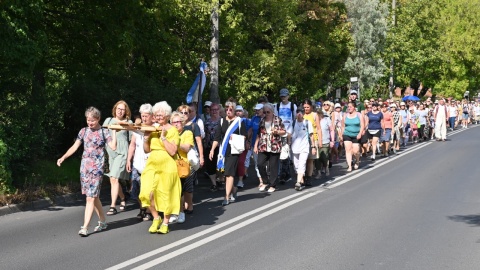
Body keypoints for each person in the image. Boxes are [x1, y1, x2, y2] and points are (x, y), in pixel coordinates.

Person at [57, 107, 117, 236]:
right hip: (84, 168)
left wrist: (114, 132)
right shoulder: (83, 131)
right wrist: (63, 157)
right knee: (93, 196)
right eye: (88, 120)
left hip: (97, 169)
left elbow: (113, 146)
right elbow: (75, 146)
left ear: (98, 119)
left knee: (90, 198)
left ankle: (85, 227)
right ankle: (102, 220)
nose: (90, 123)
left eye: (92, 121)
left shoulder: (104, 132)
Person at [140, 101, 182, 234]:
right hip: (152, 162)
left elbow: (172, 152)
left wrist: (163, 138)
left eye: (161, 115)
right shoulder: (152, 128)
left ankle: (165, 222)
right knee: (146, 192)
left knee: (165, 195)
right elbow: (147, 150)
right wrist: (146, 139)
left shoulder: (173, 130)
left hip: (167, 165)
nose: (158, 117)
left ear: (168, 115)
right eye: (156, 115)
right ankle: (156, 218)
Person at [209, 98, 247, 205]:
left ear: (234, 110)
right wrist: (212, 150)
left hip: (234, 151)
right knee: (225, 174)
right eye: (227, 109)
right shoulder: (222, 121)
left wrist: (235, 137)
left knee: (229, 174)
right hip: (223, 151)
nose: (228, 111)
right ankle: (233, 190)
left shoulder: (239, 121)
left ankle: (226, 197)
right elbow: (217, 137)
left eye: (230, 109)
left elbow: (244, 136)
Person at [103, 100, 132, 215]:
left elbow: (131, 141)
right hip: (111, 152)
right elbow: (104, 136)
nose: (120, 111)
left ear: (126, 111)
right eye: (118, 109)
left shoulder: (128, 122)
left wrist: (130, 158)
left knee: (114, 178)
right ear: (115, 109)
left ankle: (112, 206)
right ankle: (123, 197)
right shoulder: (108, 120)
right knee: (112, 179)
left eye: (122, 109)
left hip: (122, 152)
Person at [126, 104, 153, 221]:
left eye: (146, 115)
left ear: (151, 116)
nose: (144, 118)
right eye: (142, 116)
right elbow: (132, 145)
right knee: (135, 189)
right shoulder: (136, 129)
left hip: (150, 164)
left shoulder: (155, 128)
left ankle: (148, 210)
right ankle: (142, 207)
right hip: (137, 163)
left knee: (147, 189)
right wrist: (128, 160)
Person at [177, 105, 204, 214]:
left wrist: (201, 157)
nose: (183, 115)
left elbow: (199, 142)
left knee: (188, 182)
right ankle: (182, 205)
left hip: (190, 158)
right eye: (181, 113)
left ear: (189, 114)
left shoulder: (193, 126)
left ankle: (190, 205)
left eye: (186, 113)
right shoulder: (175, 126)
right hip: (178, 158)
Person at [254, 103, 286, 193]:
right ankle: (265, 181)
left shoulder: (277, 120)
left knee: (273, 166)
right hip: (263, 145)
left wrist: (277, 132)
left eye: (268, 112)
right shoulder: (262, 120)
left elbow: (284, 131)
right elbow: (258, 134)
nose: (266, 114)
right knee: (260, 164)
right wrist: (256, 145)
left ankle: (272, 185)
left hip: (274, 145)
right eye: (264, 112)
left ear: (272, 112)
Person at [169, 111, 195, 224]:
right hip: (170, 166)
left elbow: (187, 147)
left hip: (183, 165)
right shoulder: (169, 134)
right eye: (173, 122)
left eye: (178, 122)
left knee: (185, 191)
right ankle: (176, 212)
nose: (176, 124)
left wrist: (176, 144)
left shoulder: (187, 133)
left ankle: (183, 211)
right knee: (174, 191)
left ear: (183, 122)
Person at [291, 107, 313, 191]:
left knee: (302, 163)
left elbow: (311, 135)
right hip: (294, 147)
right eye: (298, 112)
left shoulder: (307, 123)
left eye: (301, 112)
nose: (299, 114)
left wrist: (313, 146)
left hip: (304, 147)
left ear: (303, 114)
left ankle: (298, 182)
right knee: (296, 165)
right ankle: (301, 179)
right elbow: (289, 134)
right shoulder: (293, 123)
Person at [340, 102, 365, 172]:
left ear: (354, 107)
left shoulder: (359, 115)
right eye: (348, 107)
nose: (349, 108)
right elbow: (343, 125)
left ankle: (357, 161)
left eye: (350, 107)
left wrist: (360, 133)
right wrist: (342, 134)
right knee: (348, 150)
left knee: (356, 151)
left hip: (356, 135)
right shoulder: (345, 115)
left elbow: (362, 125)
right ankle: (350, 166)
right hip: (347, 134)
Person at [203, 103, 222, 191]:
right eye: (212, 110)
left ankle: (220, 178)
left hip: (220, 146)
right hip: (209, 146)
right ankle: (214, 184)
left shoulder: (222, 121)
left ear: (219, 110)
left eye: (216, 109)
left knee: (219, 165)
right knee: (210, 165)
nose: (214, 111)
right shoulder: (207, 122)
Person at [245, 104, 264, 188]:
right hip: (254, 144)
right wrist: (247, 141)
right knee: (257, 163)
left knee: (264, 163)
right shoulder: (254, 118)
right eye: (256, 110)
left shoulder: (266, 118)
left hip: (264, 144)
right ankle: (261, 180)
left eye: (259, 110)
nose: (257, 111)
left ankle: (267, 177)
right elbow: (250, 130)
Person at [302, 99, 319, 185]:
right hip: (303, 140)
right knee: (303, 160)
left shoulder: (314, 115)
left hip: (313, 138)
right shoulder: (301, 115)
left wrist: (320, 141)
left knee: (310, 160)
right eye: (304, 107)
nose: (306, 109)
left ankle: (309, 177)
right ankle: (302, 176)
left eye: (307, 107)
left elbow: (318, 128)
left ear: (311, 107)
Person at [316, 109, 334, 177]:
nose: (318, 115)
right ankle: (318, 172)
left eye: (319, 113)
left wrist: (332, 140)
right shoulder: (315, 121)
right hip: (316, 142)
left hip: (325, 141)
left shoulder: (327, 120)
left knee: (324, 157)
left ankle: (326, 168)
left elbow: (331, 130)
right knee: (317, 158)